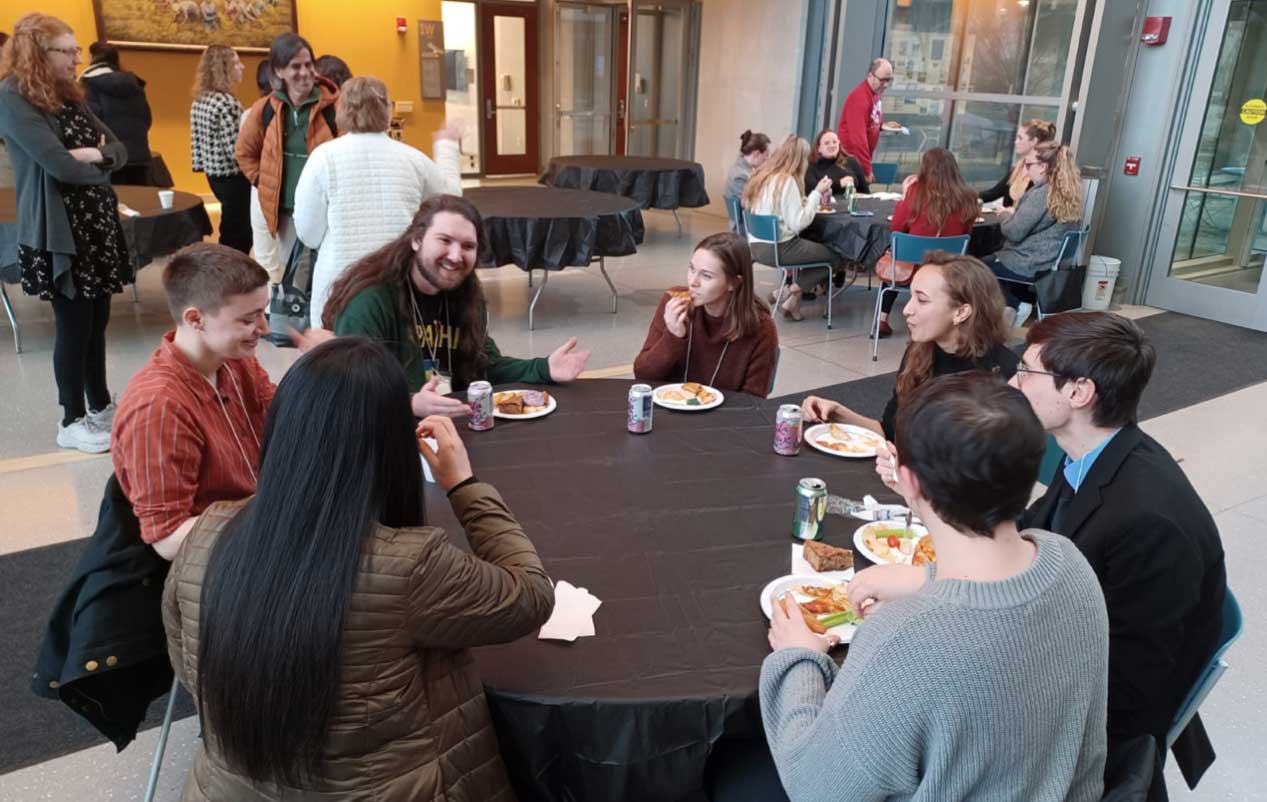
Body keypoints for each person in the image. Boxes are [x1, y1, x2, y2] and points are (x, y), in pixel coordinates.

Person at [162, 337, 554, 802]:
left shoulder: (207, 531)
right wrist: (464, 485)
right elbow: (531, 596)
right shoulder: (408, 563)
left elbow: (187, 658)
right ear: (389, 442)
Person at [763, 374, 1109, 802]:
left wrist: (799, 659)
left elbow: (811, 786)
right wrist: (924, 578)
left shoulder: (905, 640)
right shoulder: (1070, 563)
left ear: (908, 482)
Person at [1009, 311, 1227, 790]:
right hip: (1066, 650)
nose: (1013, 381)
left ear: (1079, 392)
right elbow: (1038, 529)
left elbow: (1129, 689)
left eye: (1027, 371)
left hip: (1096, 729)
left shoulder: (1149, 519)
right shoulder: (1096, 455)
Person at [322, 194, 591, 417]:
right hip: (384, 439)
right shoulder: (370, 303)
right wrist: (410, 402)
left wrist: (544, 368)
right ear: (416, 240)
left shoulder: (466, 298)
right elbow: (348, 394)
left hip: (447, 429)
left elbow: (485, 365)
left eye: (467, 246)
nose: (455, 255)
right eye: (444, 240)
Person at [0, 14, 130, 453]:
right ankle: (70, 418)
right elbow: (60, 166)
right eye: (68, 50)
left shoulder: (70, 94)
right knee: (74, 326)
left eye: (76, 49)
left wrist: (95, 153)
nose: (78, 57)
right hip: (61, 230)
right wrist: (96, 163)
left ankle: (100, 405)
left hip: (95, 223)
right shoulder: (13, 96)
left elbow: (120, 149)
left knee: (98, 323)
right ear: (40, 52)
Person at [112, 243, 275, 559]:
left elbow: (280, 422)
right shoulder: (159, 407)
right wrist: (274, 518)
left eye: (262, 313)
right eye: (248, 319)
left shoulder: (235, 360)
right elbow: (168, 539)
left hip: (255, 523)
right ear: (195, 318)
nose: (264, 329)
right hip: (215, 559)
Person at [294, 76, 462, 327]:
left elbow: (308, 233)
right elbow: (450, 201)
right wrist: (447, 146)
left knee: (339, 356)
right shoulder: (411, 159)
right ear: (387, 109)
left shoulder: (323, 158)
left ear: (341, 110)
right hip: (398, 278)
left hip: (339, 280)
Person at [801, 251, 1016, 441]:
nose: (906, 310)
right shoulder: (921, 350)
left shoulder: (1003, 375)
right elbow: (890, 434)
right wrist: (836, 412)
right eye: (911, 297)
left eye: (921, 300)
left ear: (961, 312)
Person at [236, 33, 338, 283]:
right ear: (279, 71)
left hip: (327, 210)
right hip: (286, 213)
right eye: (295, 66)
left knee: (327, 273)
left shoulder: (335, 107)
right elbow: (245, 152)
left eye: (308, 65)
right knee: (294, 278)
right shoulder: (265, 109)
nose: (304, 73)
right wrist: (264, 181)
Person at [633, 232, 779, 397]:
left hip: (723, 420)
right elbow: (642, 376)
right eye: (691, 269)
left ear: (734, 283)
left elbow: (753, 402)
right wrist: (673, 337)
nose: (693, 282)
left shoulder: (761, 327)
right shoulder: (673, 303)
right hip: (669, 412)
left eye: (706, 276)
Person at [877, 147, 979, 337]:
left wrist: (905, 194)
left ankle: (882, 319)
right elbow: (967, 231)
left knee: (894, 254)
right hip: (950, 267)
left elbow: (897, 228)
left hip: (913, 267)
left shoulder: (916, 192)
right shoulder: (968, 197)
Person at [984, 141, 1082, 327]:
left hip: (1029, 262)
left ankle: (1014, 305)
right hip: (1047, 261)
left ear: (1043, 167)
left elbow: (1013, 232)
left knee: (976, 267)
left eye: (1028, 165)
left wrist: (1005, 214)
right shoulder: (1065, 192)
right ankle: (1019, 301)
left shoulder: (1042, 193)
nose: (1025, 172)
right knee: (992, 261)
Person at [742, 134, 839, 321]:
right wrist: (816, 194)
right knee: (835, 257)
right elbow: (799, 223)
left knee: (811, 252)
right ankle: (787, 290)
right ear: (799, 159)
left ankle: (792, 303)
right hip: (779, 248)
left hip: (756, 247)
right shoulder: (786, 181)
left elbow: (778, 209)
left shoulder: (764, 176)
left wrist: (801, 201)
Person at [190, 44, 251, 253]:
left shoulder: (200, 100)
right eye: (235, 62)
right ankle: (230, 271)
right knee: (239, 231)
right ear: (223, 68)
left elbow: (196, 142)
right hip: (234, 177)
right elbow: (237, 149)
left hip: (213, 175)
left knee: (231, 225)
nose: (241, 67)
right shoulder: (227, 104)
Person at [79, 42, 152, 186]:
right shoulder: (134, 83)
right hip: (140, 154)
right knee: (142, 202)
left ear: (91, 56)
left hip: (111, 156)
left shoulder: (89, 83)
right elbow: (147, 118)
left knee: (118, 203)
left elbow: (91, 121)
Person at [835, 57, 895, 184]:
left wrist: (882, 126)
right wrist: (867, 169)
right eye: (882, 80)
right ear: (870, 76)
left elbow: (870, 122)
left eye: (889, 80)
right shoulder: (860, 98)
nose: (886, 85)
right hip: (851, 163)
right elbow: (858, 139)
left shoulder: (875, 94)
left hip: (858, 162)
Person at [979, 118, 1056, 208]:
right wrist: (964, 196)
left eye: (1020, 138)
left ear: (1034, 141)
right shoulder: (1018, 168)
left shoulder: (1042, 175)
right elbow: (992, 194)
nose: (1015, 142)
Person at [722, 128, 769, 233]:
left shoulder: (740, 168)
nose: (766, 161)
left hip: (746, 224)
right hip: (746, 228)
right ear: (757, 154)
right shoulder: (741, 176)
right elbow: (755, 206)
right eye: (766, 157)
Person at [803, 128, 868, 196]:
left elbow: (865, 191)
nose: (832, 145)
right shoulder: (811, 165)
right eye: (827, 143)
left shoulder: (851, 161)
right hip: (822, 205)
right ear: (819, 148)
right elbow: (811, 189)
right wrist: (839, 184)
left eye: (835, 142)